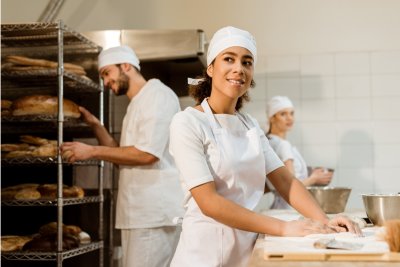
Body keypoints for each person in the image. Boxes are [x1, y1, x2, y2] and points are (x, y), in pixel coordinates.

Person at [168, 26, 361, 267]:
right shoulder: (187, 122)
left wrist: (324, 221)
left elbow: (284, 180)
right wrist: (285, 228)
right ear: (210, 68)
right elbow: (209, 202)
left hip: (247, 249)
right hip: (204, 253)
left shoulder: (249, 125)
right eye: (229, 59)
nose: (239, 68)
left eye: (247, 62)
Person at [61, 45, 184, 267]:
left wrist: (91, 151)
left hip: (153, 213)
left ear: (126, 66)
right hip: (140, 214)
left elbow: (147, 155)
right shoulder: (137, 103)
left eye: (107, 73)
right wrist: (96, 126)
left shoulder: (158, 96)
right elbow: (123, 155)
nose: (106, 82)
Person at [266, 96, 334, 209]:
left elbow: (275, 183)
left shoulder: (269, 142)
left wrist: (308, 172)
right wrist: (314, 178)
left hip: (279, 207)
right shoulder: (283, 145)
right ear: (272, 118)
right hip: (289, 208)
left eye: (291, 113)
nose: (289, 118)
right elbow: (289, 186)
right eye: (283, 114)